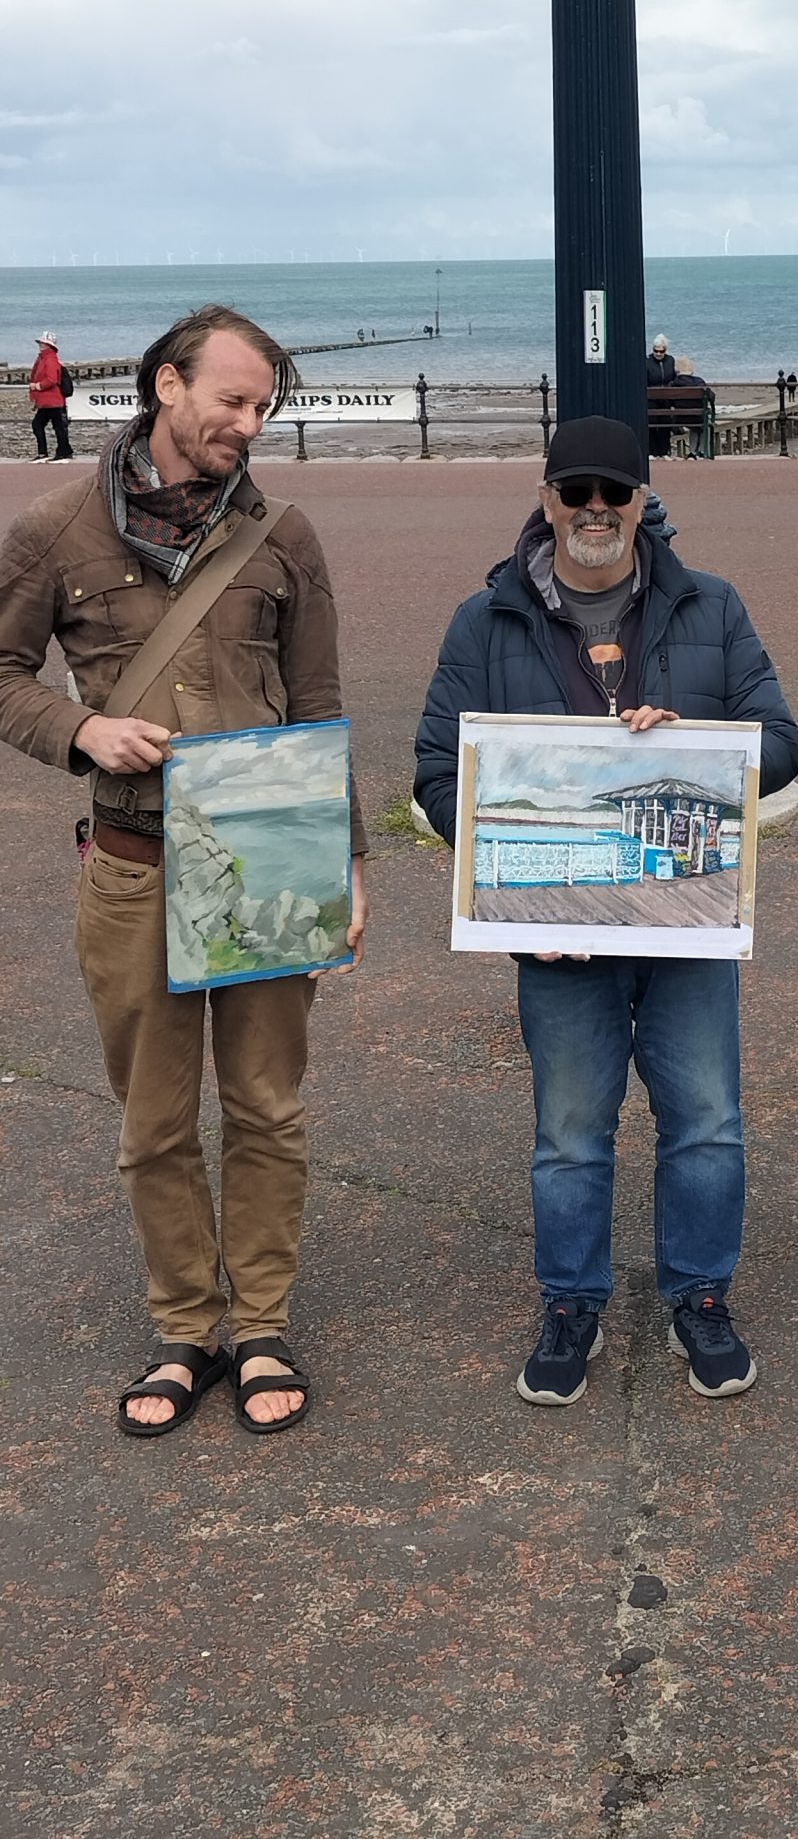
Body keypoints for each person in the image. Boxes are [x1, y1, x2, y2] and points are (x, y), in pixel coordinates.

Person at [0, 305, 367, 1439]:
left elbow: (317, 708)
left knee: (266, 1106)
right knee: (153, 1121)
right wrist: (79, 731)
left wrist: (346, 863)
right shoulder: (55, 530)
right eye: (232, 400)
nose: (248, 425)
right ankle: (185, 1329)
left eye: (263, 408)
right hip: (130, 864)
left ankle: (259, 1323)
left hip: (270, 853)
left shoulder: (284, 537)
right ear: (166, 384)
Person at [414, 414, 798, 1411]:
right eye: (575, 491)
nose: (595, 509)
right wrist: (511, 878)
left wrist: (694, 741)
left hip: (684, 926)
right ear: (545, 500)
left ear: (643, 502)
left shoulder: (709, 606)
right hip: (559, 934)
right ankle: (571, 1301)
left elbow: (783, 742)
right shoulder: (483, 619)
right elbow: (437, 772)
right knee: (571, 1134)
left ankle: (700, 1295)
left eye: (613, 493)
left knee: (707, 1125)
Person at [29, 328, 72, 462]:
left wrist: (38, 386)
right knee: (47, 426)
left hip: (53, 400)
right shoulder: (43, 359)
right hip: (47, 401)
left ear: (49, 345)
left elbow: (52, 380)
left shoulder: (50, 360)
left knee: (55, 427)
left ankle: (61, 452)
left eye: (43, 343)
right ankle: (53, 452)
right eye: (40, 343)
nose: (40, 345)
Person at [644, 333, 678, 461]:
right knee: (651, 424)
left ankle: (664, 451)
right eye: (656, 351)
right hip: (651, 397)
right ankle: (652, 451)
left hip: (666, 397)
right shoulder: (647, 361)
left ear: (665, 350)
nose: (658, 353)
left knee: (665, 424)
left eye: (661, 351)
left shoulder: (670, 360)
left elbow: (673, 377)